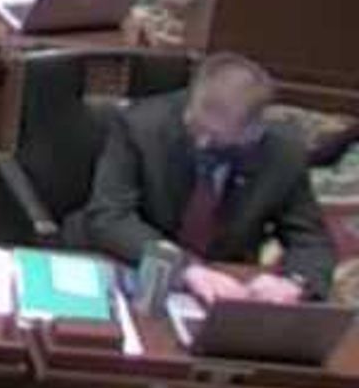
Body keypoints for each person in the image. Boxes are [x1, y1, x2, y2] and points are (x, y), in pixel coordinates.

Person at [82, 54, 335, 301]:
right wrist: (186, 268)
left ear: (254, 131)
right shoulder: (140, 126)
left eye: (217, 138)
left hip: (226, 284)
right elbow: (109, 216)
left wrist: (295, 283)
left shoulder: (283, 152)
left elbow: (310, 239)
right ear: (192, 99)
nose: (202, 143)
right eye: (197, 127)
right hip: (137, 263)